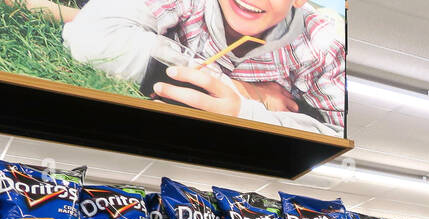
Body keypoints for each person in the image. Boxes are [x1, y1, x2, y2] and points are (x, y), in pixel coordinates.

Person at [62, 0, 345, 137]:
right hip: (145, 18)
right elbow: (93, 36)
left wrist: (242, 113)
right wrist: (247, 95)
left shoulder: (322, 43)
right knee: (86, 17)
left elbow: (337, 135)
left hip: (153, 35)